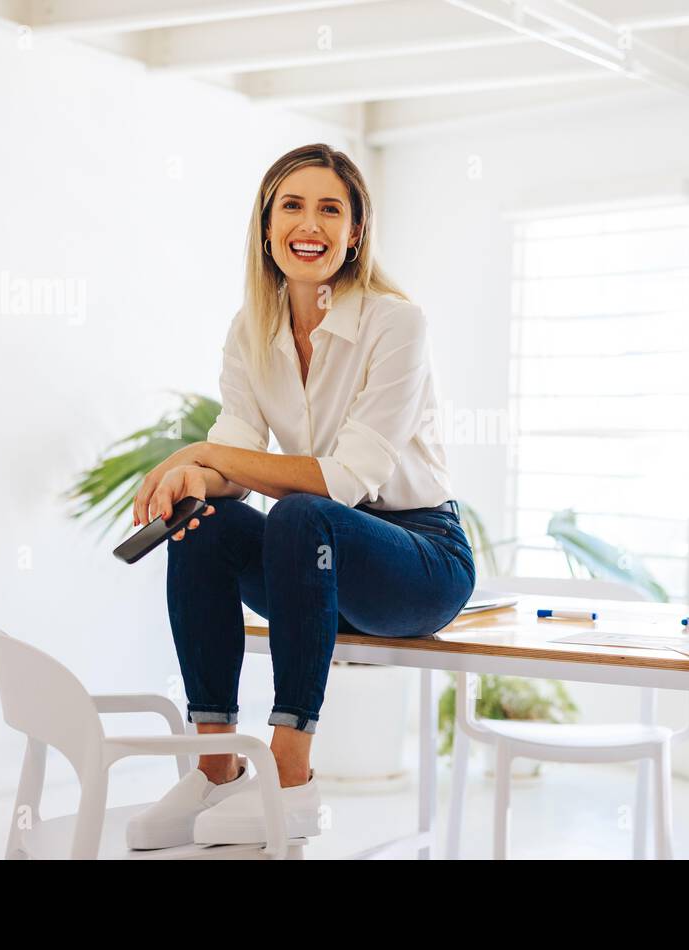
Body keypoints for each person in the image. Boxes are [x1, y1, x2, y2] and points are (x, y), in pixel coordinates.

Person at [124, 143, 475, 850]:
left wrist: (206, 453)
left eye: (329, 208)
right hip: (311, 560)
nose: (308, 222)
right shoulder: (251, 329)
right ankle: (216, 770)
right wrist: (194, 477)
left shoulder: (397, 324)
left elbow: (347, 480)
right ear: (266, 227)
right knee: (208, 523)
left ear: (354, 235)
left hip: (417, 562)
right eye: (291, 205)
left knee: (303, 509)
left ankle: (290, 784)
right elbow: (234, 444)